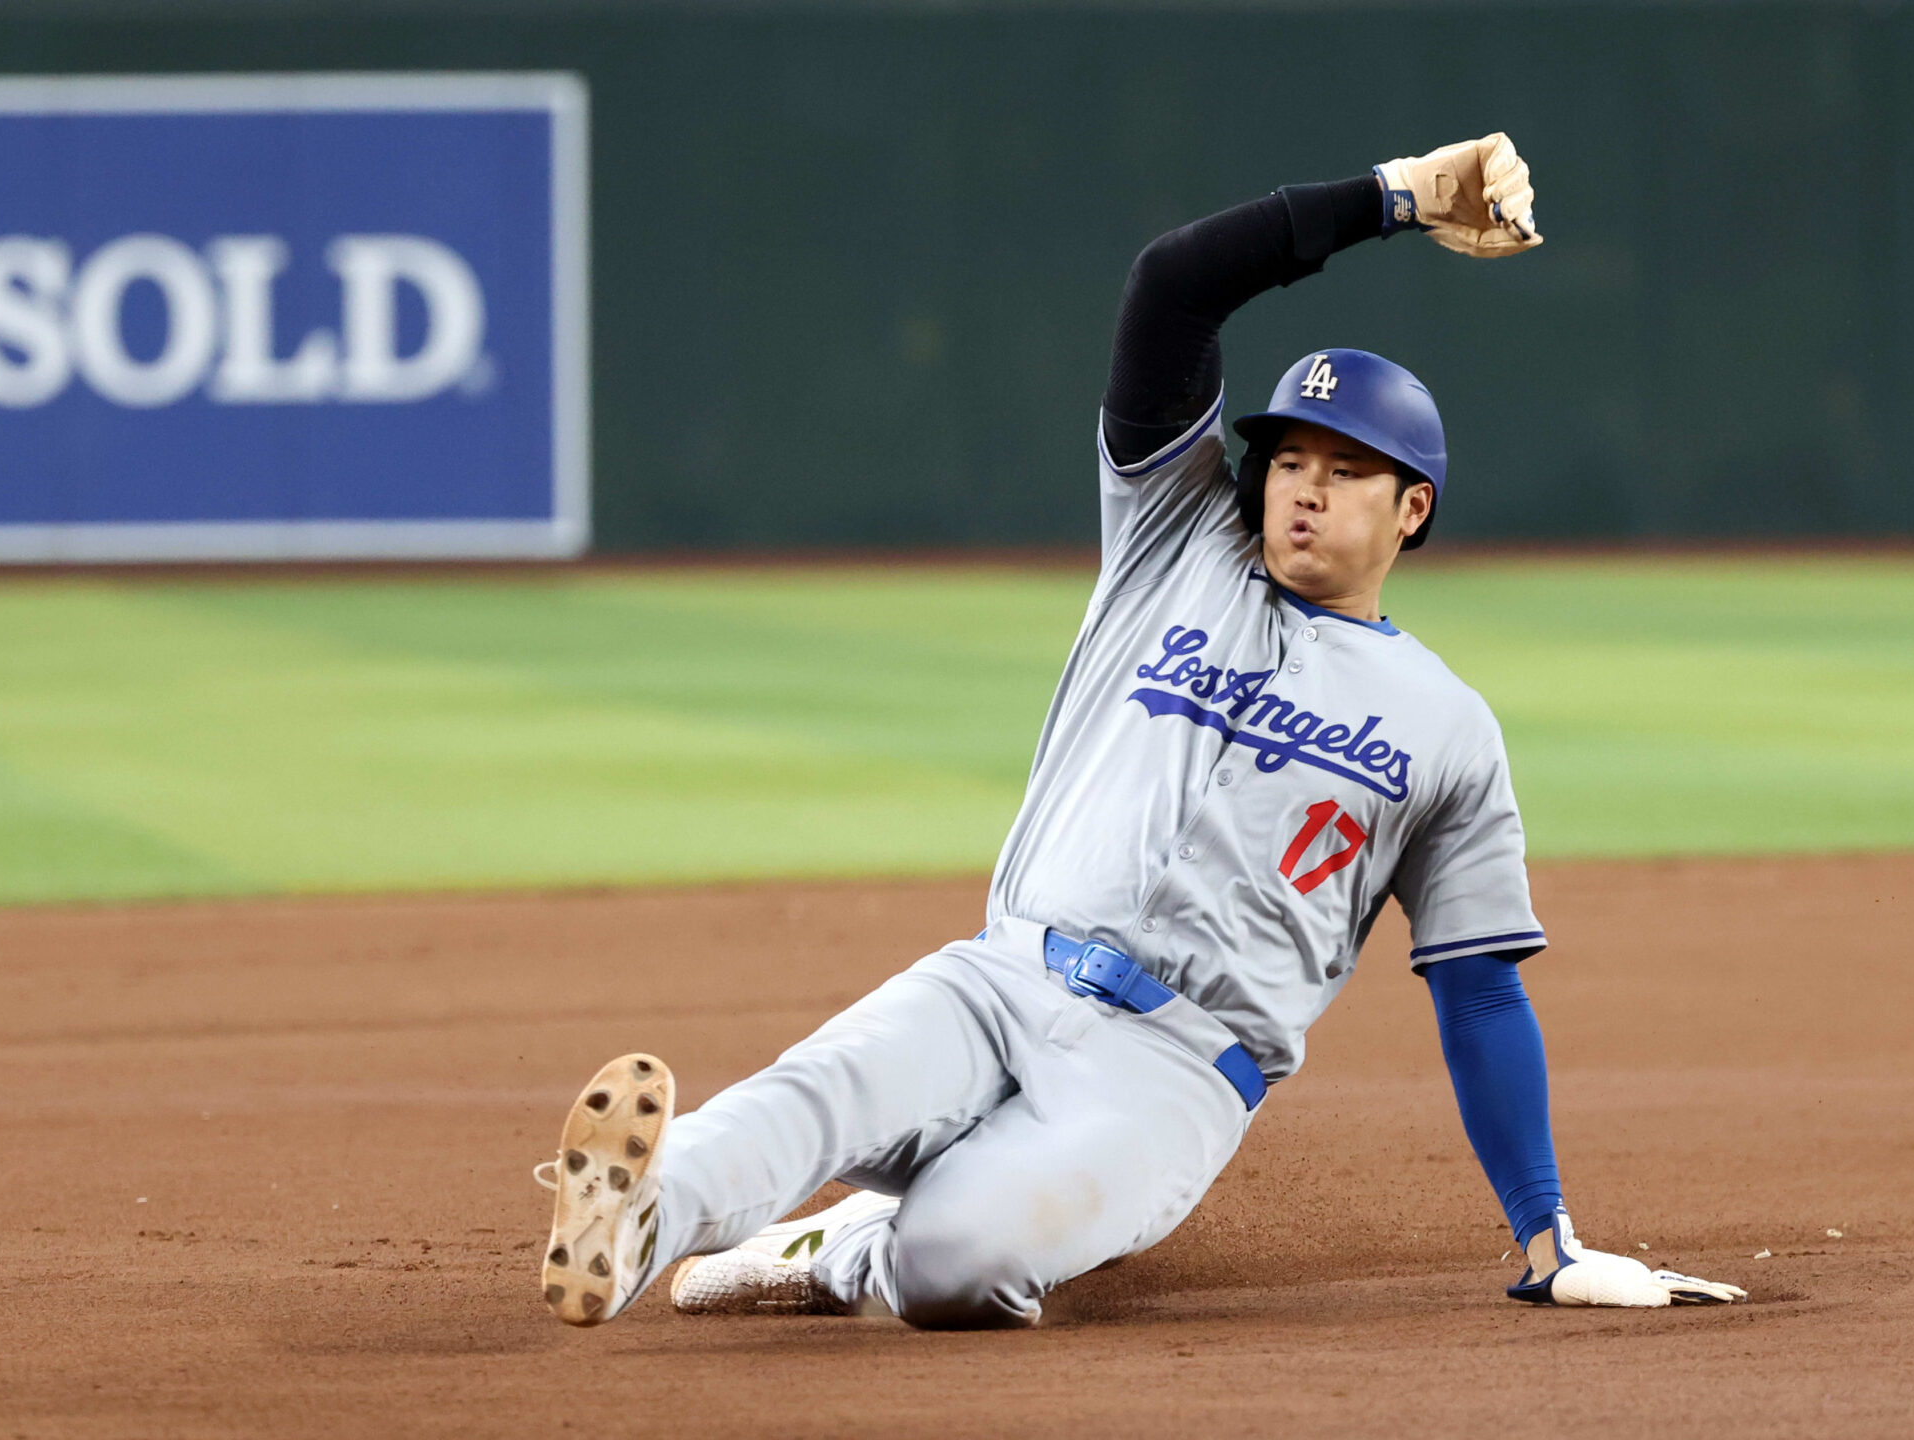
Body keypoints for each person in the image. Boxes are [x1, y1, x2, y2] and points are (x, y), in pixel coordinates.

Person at [536, 134, 1745, 1329]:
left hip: (1169, 1074)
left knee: (959, 1260)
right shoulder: (1175, 540)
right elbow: (1173, 285)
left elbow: (1479, 995)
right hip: (1005, 974)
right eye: (1285, 457)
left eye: (1345, 467)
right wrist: (1393, 197)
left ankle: (850, 1249)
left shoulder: (1449, 730)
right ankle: (635, 1224)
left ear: (1411, 508)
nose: (1303, 485)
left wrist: (1547, 1240)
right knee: (810, 1098)